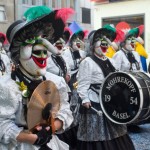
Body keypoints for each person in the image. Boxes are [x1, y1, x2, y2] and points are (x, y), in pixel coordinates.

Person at [0, 6, 74, 150]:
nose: (41, 51)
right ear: (17, 52)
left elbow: (65, 111)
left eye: (44, 42)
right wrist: (31, 137)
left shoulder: (56, 81)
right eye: (31, 42)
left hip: (51, 143)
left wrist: (51, 128)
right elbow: (1, 123)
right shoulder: (7, 86)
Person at [76, 25, 135, 150]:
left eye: (106, 43)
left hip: (112, 102)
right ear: (93, 45)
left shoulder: (111, 60)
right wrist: (85, 100)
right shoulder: (87, 62)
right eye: (101, 43)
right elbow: (82, 85)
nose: (105, 46)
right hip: (95, 102)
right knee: (97, 135)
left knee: (117, 131)